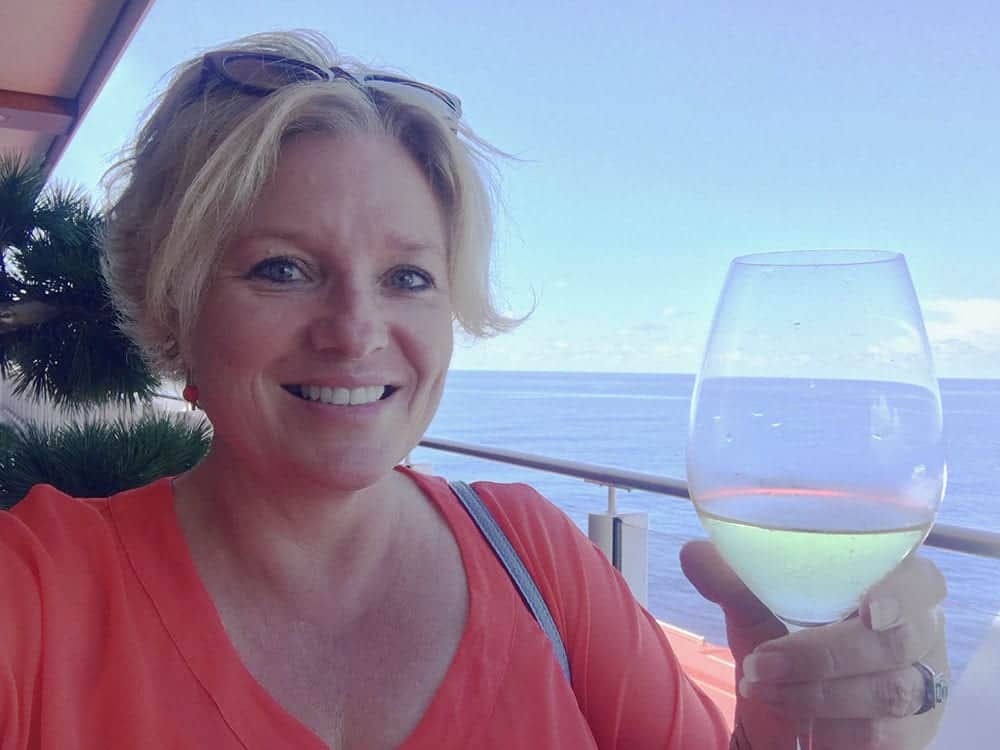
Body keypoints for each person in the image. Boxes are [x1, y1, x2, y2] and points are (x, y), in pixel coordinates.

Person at [0, 30, 949, 749]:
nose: (356, 331)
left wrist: (804, 728)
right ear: (177, 306)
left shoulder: (535, 558)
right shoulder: (39, 595)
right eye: (283, 269)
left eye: (407, 277)